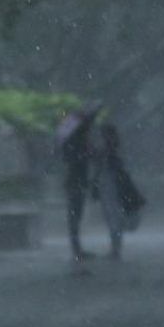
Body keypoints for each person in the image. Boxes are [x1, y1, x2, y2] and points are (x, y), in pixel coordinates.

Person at [93, 123, 145, 260]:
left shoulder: (110, 151)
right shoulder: (111, 150)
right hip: (109, 186)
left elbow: (105, 166)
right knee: (112, 217)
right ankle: (115, 249)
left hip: (110, 187)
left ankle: (115, 249)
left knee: (113, 217)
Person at [59, 104, 101, 264]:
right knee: (75, 216)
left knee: (76, 215)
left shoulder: (78, 141)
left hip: (77, 181)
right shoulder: (76, 143)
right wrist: (90, 153)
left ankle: (77, 249)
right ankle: (76, 250)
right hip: (75, 181)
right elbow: (83, 158)